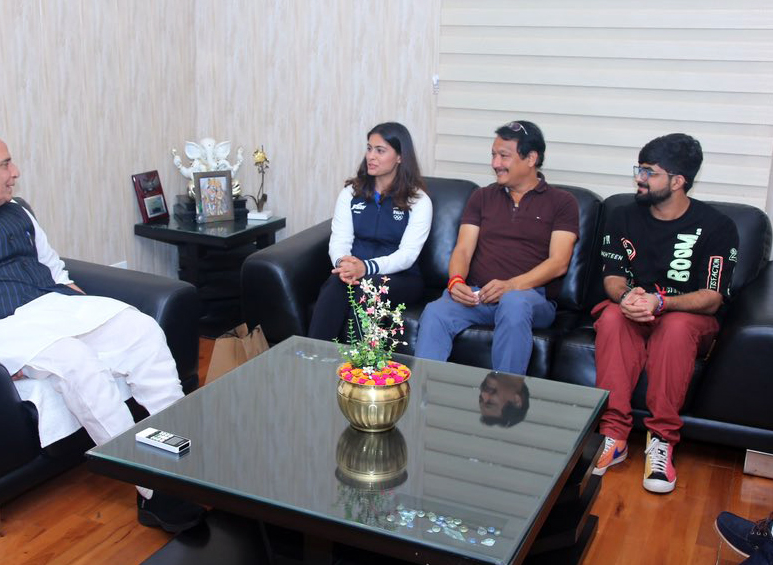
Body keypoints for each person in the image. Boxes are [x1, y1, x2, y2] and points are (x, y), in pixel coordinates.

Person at [0, 134, 204, 532]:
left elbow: (55, 271)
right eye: (5, 164)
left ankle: (183, 459)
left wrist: (87, 310)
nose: (15, 172)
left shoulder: (17, 211)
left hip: (51, 307)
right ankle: (154, 488)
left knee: (140, 330)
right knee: (75, 362)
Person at [591, 133, 739, 495]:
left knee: (675, 327)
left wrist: (663, 303)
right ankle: (614, 436)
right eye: (639, 169)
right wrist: (627, 298)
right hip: (635, 309)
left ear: (677, 181)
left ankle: (661, 441)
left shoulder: (718, 227)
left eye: (649, 172)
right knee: (612, 317)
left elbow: (712, 296)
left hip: (685, 316)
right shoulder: (622, 215)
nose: (639, 178)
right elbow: (612, 278)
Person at [414, 121, 579, 374]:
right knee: (436, 311)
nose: (495, 163)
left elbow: (559, 263)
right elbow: (462, 250)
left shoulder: (562, 202)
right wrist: (456, 281)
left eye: (504, 156)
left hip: (530, 298)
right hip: (479, 296)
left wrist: (511, 285)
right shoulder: (482, 197)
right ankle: (423, 401)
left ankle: (504, 399)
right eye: (493, 154)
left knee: (513, 302)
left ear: (531, 158)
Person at [307, 122, 432, 341]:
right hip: (355, 271)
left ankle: (356, 368)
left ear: (400, 157)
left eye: (380, 150)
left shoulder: (418, 201)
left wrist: (366, 268)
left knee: (367, 290)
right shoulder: (350, 193)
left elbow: (407, 256)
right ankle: (314, 358)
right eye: (369, 148)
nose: (371, 156)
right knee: (335, 284)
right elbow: (339, 240)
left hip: (400, 277)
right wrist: (344, 265)